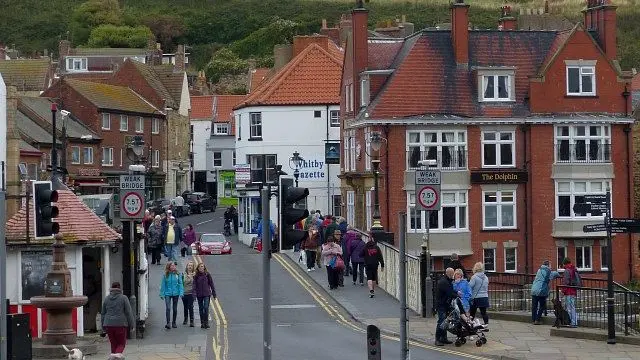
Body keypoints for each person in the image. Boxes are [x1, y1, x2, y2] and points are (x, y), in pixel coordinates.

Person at [101, 282, 134, 355]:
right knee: (121, 344)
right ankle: (116, 357)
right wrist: (132, 325)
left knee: (113, 344)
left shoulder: (106, 299)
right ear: (120, 289)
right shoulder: (124, 298)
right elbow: (128, 312)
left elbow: (103, 313)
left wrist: (103, 327)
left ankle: (113, 356)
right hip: (120, 324)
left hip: (108, 325)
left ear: (111, 288)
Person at [531, 260, 561, 324]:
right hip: (541, 290)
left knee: (534, 306)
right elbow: (556, 274)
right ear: (548, 266)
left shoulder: (539, 270)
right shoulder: (548, 271)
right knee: (542, 305)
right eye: (550, 266)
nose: (551, 267)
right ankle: (537, 320)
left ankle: (533, 319)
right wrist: (557, 273)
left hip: (534, 289)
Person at [435, 268, 456, 346]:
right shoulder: (444, 282)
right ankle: (437, 339)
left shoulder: (447, 281)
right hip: (441, 305)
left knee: (445, 322)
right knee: (441, 322)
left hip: (445, 304)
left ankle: (443, 338)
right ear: (449, 273)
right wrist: (458, 295)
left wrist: (456, 293)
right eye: (452, 274)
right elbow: (449, 293)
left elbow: (451, 291)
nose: (453, 275)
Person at [160, 262, 184, 329]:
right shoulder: (165, 275)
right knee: (168, 308)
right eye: (172, 265)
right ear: (169, 267)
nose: (173, 267)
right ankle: (168, 323)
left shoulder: (177, 274)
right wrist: (162, 294)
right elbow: (163, 285)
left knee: (175, 308)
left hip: (176, 293)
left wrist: (181, 293)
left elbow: (180, 284)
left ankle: (174, 322)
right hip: (167, 293)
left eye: (174, 265)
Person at [193, 262, 217, 329]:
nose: (201, 268)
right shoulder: (196, 276)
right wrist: (194, 295)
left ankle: (206, 322)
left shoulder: (207, 274)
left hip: (207, 294)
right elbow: (194, 286)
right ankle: (202, 323)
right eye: (200, 266)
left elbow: (211, 284)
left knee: (206, 307)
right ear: (198, 268)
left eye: (202, 266)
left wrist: (214, 294)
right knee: (201, 308)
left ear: (204, 267)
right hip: (199, 294)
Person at [469, 262, 490, 326]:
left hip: (475, 297)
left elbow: (470, 286)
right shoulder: (486, 277)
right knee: (484, 312)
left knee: (472, 312)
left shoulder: (474, 277)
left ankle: (470, 323)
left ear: (475, 268)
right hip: (484, 296)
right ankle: (486, 324)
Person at [562, 257, 580, 327]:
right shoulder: (574, 269)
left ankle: (572, 323)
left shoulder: (567, 270)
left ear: (565, 263)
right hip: (573, 291)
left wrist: (562, 291)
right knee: (573, 307)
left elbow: (566, 282)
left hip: (569, 291)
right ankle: (574, 322)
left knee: (569, 308)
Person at [182, 261, 196, 327]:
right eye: (189, 265)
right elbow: (182, 283)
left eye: (191, 266)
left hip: (191, 293)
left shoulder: (195, 275)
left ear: (193, 267)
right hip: (184, 293)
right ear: (187, 266)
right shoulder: (183, 274)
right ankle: (185, 319)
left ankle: (192, 321)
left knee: (190, 307)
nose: (190, 267)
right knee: (185, 307)